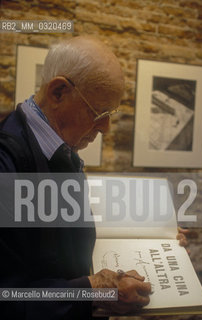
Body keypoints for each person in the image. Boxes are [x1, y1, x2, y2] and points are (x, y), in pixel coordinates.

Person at [0, 36, 152, 320]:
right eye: (100, 113)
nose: (106, 127)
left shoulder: (60, 150)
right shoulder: (6, 164)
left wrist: (160, 238)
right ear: (58, 92)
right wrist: (90, 291)